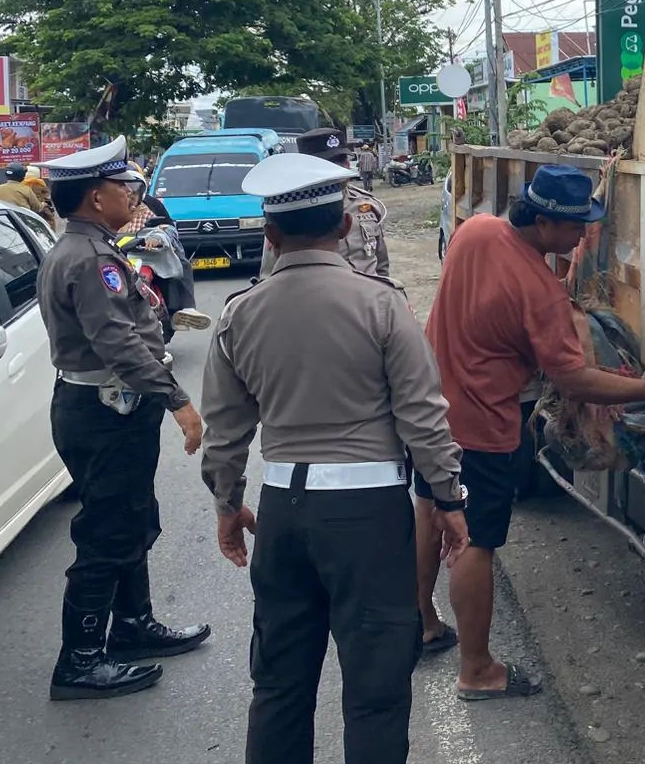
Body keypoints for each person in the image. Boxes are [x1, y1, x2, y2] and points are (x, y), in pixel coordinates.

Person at [200, 152, 469, 764]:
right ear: (346, 226)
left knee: (279, 684)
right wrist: (448, 499)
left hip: (282, 511)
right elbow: (423, 416)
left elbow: (225, 430)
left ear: (269, 235)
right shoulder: (381, 304)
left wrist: (226, 504)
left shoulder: (240, 312)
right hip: (368, 516)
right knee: (376, 689)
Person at [425, 164, 645, 699]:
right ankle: (477, 671)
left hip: (428, 411)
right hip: (481, 424)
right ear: (543, 223)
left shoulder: (475, 231)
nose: (582, 235)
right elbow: (576, 381)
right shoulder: (539, 291)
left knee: (430, 508)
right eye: (574, 227)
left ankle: (422, 623)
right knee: (475, 539)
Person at [37, 136, 210, 701]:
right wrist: (177, 400)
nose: (133, 195)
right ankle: (80, 660)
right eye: (123, 186)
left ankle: (133, 626)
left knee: (131, 516)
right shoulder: (91, 260)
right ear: (95, 196)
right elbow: (118, 343)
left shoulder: (90, 248)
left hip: (108, 409)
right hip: (104, 411)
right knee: (108, 531)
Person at [259, 129, 391, 280]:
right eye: (329, 162)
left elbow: (381, 265)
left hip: (368, 293)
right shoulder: (292, 210)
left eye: (342, 159)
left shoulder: (366, 204)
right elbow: (269, 275)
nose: (339, 167)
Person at [117, 165, 211, 332]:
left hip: (152, 254)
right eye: (124, 186)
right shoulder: (111, 208)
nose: (130, 192)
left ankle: (184, 309)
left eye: (134, 186)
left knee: (180, 262)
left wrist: (158, 237)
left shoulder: (151, 205)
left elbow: (168, 226)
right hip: (121, 254)